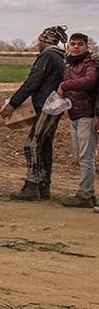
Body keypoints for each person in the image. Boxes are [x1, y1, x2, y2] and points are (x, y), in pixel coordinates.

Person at [2, 26, 67, 201]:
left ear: (46, 41)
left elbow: (33, 81)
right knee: (45, 145)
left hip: (46, 106)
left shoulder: (47, 56)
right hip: (54, 106)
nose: (37, 43)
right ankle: (44, 187)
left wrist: (13, 103)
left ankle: (32, 186)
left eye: (39, 40)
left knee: (32, 144)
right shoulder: (61, 57)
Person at [57, 33, 98, 208]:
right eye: (73, 44)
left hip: (87, 115)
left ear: (86, 46)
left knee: (86, 156)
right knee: (79, 155)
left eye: (80, 44)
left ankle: (85, 195)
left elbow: (90, 82)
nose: (75, 47)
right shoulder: (68, 65)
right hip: (73, 114)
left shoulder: (91, 65)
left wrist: (64, 86)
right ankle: (88, 192)